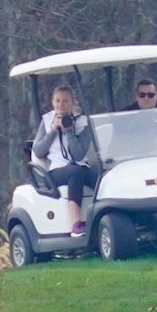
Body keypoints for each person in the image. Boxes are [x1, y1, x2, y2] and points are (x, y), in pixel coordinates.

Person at [32, 85, 95, 237]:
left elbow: (79, 155)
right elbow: (38, 150)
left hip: (81, 167)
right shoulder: (47, 121)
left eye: (65, 101)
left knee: (102, 177)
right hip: (56, 172)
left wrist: (70, 132)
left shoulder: (83, 122)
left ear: (72, 103)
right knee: (75, 173)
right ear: (52, 101)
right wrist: (53, 130)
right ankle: (76, 224)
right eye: (57, 101)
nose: (61, 105)